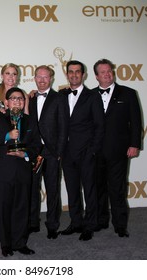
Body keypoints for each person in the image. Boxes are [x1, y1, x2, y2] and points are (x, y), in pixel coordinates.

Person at [0, 87, 41, 257]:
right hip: (1, 171)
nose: (17, 101)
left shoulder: (31, 120)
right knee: (2, 209)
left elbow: (36, 145)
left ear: (24, 102)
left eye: (20, 98)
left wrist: (25, 154)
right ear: (7, 102)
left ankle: (20, 243)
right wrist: (7, 136)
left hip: (22, 170)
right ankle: (6, 244)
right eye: (13, 98)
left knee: (21, 209)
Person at [92, 58, 142, 237]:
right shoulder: (89, 95)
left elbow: (136, 121)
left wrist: (135, 144)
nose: (107, 74)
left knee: (117, 189)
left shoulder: (128, 93)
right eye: (103, 72)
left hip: (119, 150)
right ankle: (101, 220)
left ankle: (120, 225)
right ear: (96, 76)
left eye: (109, 71)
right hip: (96, 151)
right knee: (98, 189)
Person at [58, 60, 104, 241]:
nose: (74, 75)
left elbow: (100, 126)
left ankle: (89, 225)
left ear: (83, 75)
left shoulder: (93, 96)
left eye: (78, 72)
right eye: (71, 72)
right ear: (67, 74)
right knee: (72, 190)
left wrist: (92, 150)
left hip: (86, 152)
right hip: (67, 152)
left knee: (89, 190)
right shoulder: (61, 95)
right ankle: (76, 222)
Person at [28, 65, 68, 239]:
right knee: (32, 189)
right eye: (39, 77)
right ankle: (33, 223)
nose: (42, 80)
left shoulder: (59, 98)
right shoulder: (29, 98)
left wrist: (59, 151)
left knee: (52, 190)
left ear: (51, 78)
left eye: (45, 77)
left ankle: (52, 225)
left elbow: (64, 126)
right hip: (34, 151)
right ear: (34, 78)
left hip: (52, 152)